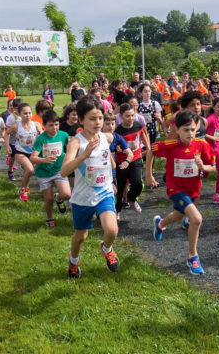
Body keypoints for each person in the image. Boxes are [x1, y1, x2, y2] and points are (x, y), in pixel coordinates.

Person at [146, 110, 216, 275]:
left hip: (193, 190)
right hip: (175, 189)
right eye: (186, 130)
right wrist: (148, 175)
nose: (190, 133)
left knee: (178, 217)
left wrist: (203, 167)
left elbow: (213, 167)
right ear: (177, 129)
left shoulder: (202, 145)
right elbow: (151, 150)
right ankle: (193, 256)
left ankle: (160, 224)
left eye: (193, 129)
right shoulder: (170, 145)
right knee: (196, 219)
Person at [61, 96, 120, 277]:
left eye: (100, 118)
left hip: (104, 192)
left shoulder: (106, 137)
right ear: (81, 120)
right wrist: (84, 155)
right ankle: (73, 262)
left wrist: (111, 168)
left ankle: (106, 248)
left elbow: (110, 161)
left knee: (111, 229)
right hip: (83, 197)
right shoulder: (76, 142)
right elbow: (64, 171)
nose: (98, 122)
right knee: (81, 237)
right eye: (92, 119)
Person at [30, 110, 71, 227]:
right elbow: (33, 158)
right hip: (44, 172)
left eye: (56, 124)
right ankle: (50, 217)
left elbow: (69, 151)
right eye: (51, 125)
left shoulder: (64, 135)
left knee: (67, 194)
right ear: (44, 126)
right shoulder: (41, 139)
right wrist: (44, 160)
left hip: (58, 170)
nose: (54, 128)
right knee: (48, 198)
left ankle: (58, 199)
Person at [4, 103, 42, 202]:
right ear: (19, 114)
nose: (28, 115)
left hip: (33, 153)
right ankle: (24, 190)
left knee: (28, 172)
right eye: (25, 113)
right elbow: (6, 134)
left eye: (29, 113)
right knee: (29, 170)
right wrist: (7, 146)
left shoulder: (36, 124)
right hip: (20, 152)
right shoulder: (16, 125)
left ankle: (23, 188)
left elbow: (43, 137)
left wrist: (42, 134)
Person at [113, 104, 144, 218]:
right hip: (122, 162)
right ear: (121, 116)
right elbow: (115, 145)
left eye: (132, 115)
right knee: (120, 188)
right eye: (127, 116)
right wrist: (118, 148)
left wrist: (147, 147)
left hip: (136, 159)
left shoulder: (138, 125)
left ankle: (132, 199)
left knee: (138, 183)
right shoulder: (118, 131)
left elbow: (142, 135)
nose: (131, 118)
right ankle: (118, 210)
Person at [5, 98, 23, 180]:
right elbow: (7, 132)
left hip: (23, 141)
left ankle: (25, 167)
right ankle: (10, 170)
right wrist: (7, 145)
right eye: (17, 108)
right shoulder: (11, 118)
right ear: (14, 108)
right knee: (13, 157)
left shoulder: (23, 115)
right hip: (13, 141)